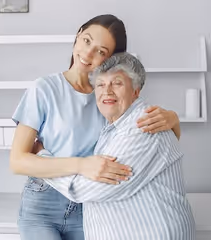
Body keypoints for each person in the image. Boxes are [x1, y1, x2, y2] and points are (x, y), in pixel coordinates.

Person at [10, 14, 182, 240]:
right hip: (43, 205)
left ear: (112, 60)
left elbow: (154, 141)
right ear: (78, 34)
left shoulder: (108, 97)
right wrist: (82, 165)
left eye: (101, 51)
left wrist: (174, 120)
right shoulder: (44, 89)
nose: (88, 53)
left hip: (91, 207)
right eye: (87, 40)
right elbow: (18, 161)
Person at [39, 52, 196, 240]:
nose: (107, 91)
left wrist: (40, 160)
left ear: (136, 91)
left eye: (117, 83)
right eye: (100, 85)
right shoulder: (112, 127)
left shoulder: (143, 127)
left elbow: (86, 188)